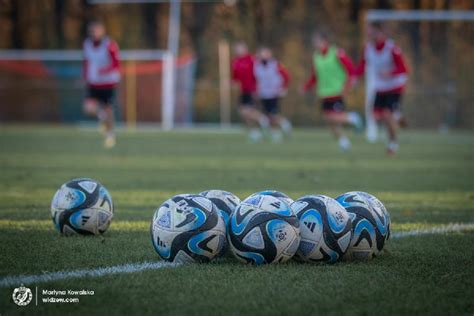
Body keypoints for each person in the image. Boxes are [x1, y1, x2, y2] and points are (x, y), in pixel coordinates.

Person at [302, 31, 363, 151]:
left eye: (317, 41)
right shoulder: (317, 57)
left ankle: (353, 118)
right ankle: (343, 142)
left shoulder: (336, 53)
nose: (315, 43)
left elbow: (349, 67)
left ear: (324, 41)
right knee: (329, 120)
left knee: (334, 117)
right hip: (324, 93)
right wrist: (306, 87)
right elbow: (315, 76)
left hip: (337, 91)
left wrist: (352, 79)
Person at [356, 22, 408, 155]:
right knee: (376, 116)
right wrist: (354, 76)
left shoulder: (392, 48)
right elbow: (363, 64)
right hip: (380, 87)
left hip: (394, 86)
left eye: (372, 31)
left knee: (386, 115)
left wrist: (390, 73)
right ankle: (398, 117)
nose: (369, 34)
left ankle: (392, 144)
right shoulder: (368, 48)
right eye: (368, 32)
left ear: (380, 33)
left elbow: (403, 69)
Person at [82, 21, 121, 148]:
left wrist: (103, 71)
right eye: (92, 31)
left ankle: (110, 136)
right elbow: (86, 62)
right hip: (94, 82)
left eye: (96, 31)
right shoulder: (87, 44)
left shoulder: (109, 44)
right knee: (88, 108)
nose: (94, 33)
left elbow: (116, 64)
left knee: (108, 110)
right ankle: (103, 117)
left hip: (108, 82)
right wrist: (85, 76)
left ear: (102, 31)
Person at [231, 41, 269, 142]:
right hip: (243, 90)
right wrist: (233, 83)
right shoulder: (235, 62)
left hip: (251, 89)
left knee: (246, 111)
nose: (238, 50)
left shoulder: (252, 59)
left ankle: (262, 119)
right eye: (236, 48)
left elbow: (260, 73)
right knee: (243, 113)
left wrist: (258, 88)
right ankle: (255, 131)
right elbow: (235, 77)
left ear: (245, 49)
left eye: (240, 48)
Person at [253, 47, 292, 142]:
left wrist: (283, 88)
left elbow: (286, 76)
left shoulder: (275, 64)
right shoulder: (257, 66)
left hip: (274, 93)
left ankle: (285, 124)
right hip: (263, 94)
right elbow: (256, 80)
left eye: (265, 54)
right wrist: (256, 91)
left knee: (273, 115)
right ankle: (275, 133)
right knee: (267, 116)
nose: (263, 56)